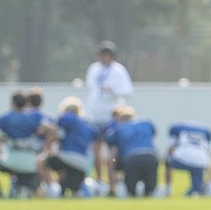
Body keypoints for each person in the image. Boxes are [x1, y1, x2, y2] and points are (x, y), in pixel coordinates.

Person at [85, 41, 134, 180]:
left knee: (112, 150)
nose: (103, 58)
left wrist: (112, 90)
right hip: (94, 114)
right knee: (96, 149)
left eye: (106, 55)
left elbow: (128, 91)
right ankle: (99, 178)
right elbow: (91, 89)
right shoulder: (94, 69)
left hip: (111, 115)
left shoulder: (118, 70)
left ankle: (113, 178)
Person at [0, 90, 50, 198]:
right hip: (30, 161)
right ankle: (28, 190)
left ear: (12, 103)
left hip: (10, 159)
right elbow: (48, 128)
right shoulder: (34, 117)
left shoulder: (4, 118)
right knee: (28, 179)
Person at [44, 97, 99, 196]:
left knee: (43, 161)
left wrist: (47, 145)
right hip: (83, 163)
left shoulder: (67, 117)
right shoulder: (88, 125)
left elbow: (56, 133)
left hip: (68, 157)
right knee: (74, 188)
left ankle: (51, 186)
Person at [106, 106, 158, 197]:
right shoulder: (146, 124)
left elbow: (113, 151)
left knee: (131, 192)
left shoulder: (118, 129)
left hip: (131, 158)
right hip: (151, 156)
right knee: (150, 192)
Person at [163, 121, 211, 197]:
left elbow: (171, 148)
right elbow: (208, 156)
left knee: (168, 163)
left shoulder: (179, 130)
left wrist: (166, 157)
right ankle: (197, 190)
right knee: (196, 191)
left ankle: (168, 188)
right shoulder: (204, 134)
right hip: (200, 162)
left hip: (182, 158)